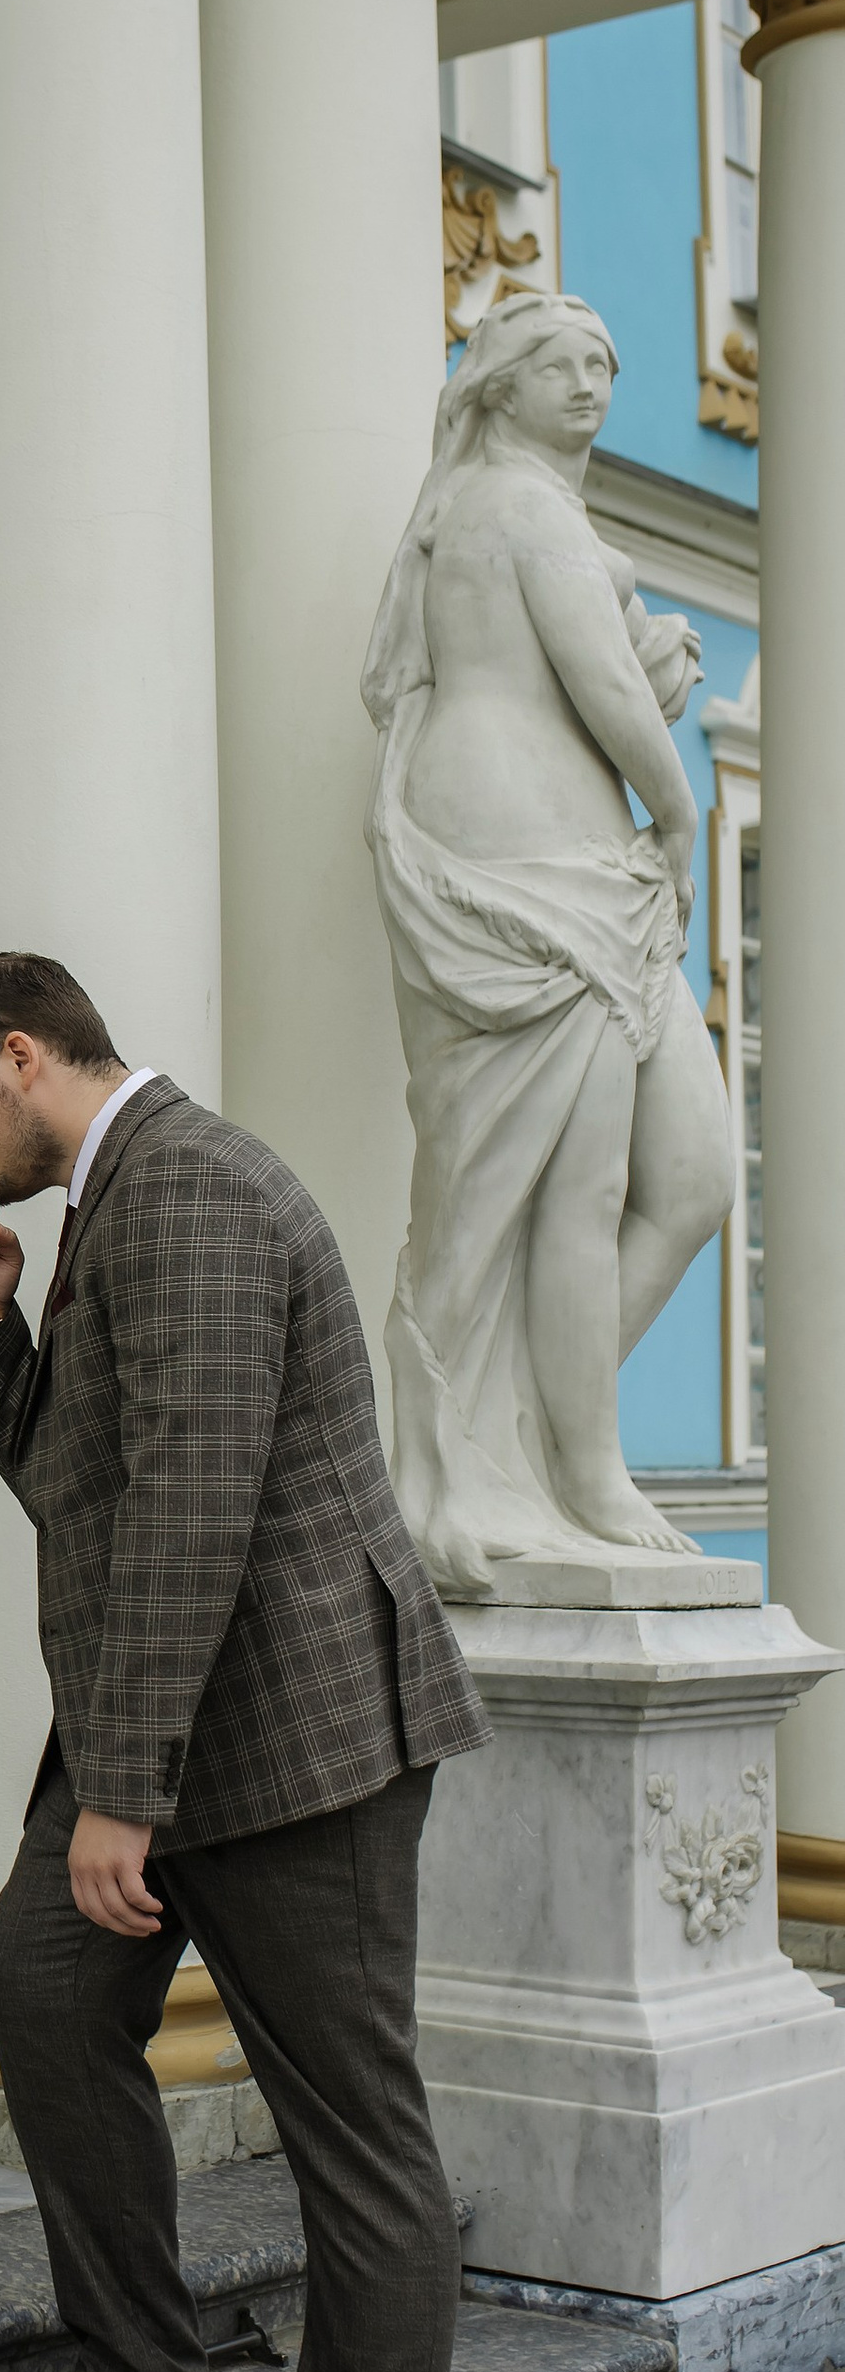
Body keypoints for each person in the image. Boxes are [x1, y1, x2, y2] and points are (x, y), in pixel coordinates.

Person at [0, 951, 487, 2372]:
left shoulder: (200, 1187)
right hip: (167, 1719)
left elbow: (194, 1510)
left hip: (299, 1737)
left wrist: (126, 1794)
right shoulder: (111, 1204)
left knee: (360, 2151)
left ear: (19, 1056)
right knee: (37, 1986)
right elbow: (87, 1486)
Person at [363, 289, 732, 1596]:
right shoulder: (516, 501)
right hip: (542, 863)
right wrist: (681, 812)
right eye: (562, 364)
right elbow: (592, 677)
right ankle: (571, 1467)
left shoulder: (519, 513)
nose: (592, 385)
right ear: (499, 386)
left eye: (605, 364)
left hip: (575, 858)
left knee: (689, 1175)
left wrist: (648, 668)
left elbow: (587, 668)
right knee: (563, 1189)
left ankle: (521, 1434)